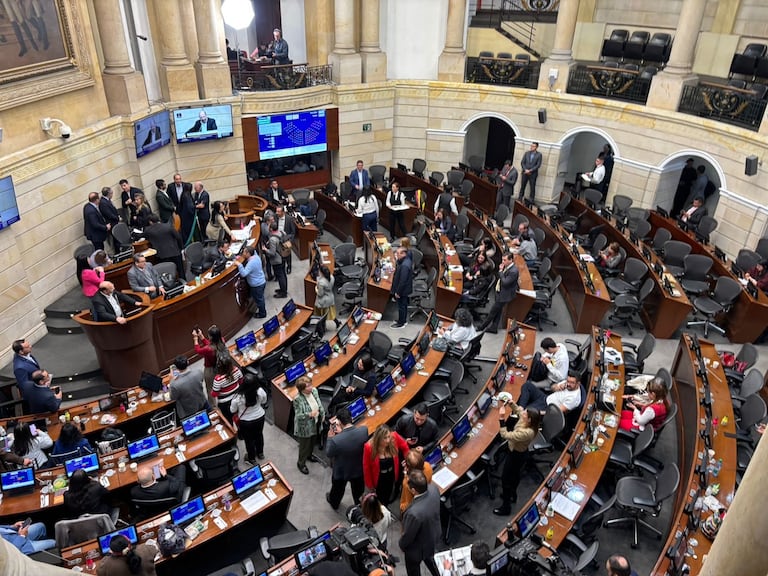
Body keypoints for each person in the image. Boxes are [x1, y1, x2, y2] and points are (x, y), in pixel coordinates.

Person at [493, 400, 541, 514]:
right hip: (519, 452)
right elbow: (519, 411)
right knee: (515, 476)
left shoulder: (527, 432)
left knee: (506, 479)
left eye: (525, 413)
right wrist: (511, 404)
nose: (523, 412)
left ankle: (506, 507)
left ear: (529, 419)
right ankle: (512, 495)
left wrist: (501, 418)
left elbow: (505, 435)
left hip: (516, 455)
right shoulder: (527, 420)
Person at [398, 470, 441, 576]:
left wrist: (402, 545)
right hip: (433, 535)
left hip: (417, 549)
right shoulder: (434, 489)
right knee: (432, 561)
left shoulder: (414, 513)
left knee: (413, 571)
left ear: (413, 490)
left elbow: (408, 535)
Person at [325, 408, 368, 510]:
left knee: (337, 491)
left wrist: (330, 437)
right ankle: (359, 507)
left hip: (341, 471)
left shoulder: (336, 440)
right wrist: (343, 432)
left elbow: (329, 453)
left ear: (339, 422)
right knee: (358, 492)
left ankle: (334, 503)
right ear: (352, 418)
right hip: (358, 470)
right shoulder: (364, 431)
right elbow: (351, 438)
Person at [363, 425, 409, 504]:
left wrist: (408, 461)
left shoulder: (394, 436)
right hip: (379, 477)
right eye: (384, 438)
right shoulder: (369, 447)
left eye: (388, 437)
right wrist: (370, 485)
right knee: (380, 497)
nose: (388, 440)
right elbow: (366, 467)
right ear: (378, 438)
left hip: (392, 474)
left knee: (390, 492)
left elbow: (405, 447)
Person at [230, 372, 268, 464]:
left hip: (245, 422)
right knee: (259, 435)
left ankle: (251, 458)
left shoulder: (238, 398)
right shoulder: (260, 391)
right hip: (260, 417)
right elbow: (264, 401)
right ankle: (260, 453)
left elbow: (232, 410)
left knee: (249, 440)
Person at [477, 251, 519, 334]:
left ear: (511, 260)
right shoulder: (508, 267)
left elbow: (505, 283)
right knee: (498, 311)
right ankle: (494, 327)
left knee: (492, 312)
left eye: (505, 260)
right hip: (500, 291)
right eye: (502, 260)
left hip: (504, 295)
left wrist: (500, 271)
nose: (503, 262)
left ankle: (481, 327)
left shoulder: (513, 271)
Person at [293, 376, 325, 475]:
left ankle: (309, 455)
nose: (311, 387)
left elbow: (318, 402)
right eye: (308, 386)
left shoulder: (314, 391)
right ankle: (301, 463)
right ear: (302, 389)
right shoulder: (298, 399)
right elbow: (298, 416)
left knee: (312, 442)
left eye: (310, 385)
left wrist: (321, 413)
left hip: (315, 422)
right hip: (305, 426)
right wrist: (309, 414)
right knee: (304, 446)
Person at [193, 325, 227, 406]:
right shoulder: (222, 341)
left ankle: (213, 406)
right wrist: (201, 337)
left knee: (210, 388)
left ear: (211, 337)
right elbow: (210, 345)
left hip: (210, 370)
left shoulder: (208, 349)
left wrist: (195, 339)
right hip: (220, 366)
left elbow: (198, 350)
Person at [141, 214, 185, 279]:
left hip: (162, 256)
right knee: (181, 272)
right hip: (175, 252)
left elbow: (140, 236)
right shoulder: (168, 226)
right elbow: (178, 237)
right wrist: (181, 248)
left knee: (166, 275)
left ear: (150, 222)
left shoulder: (148, 230)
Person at [517, 372, 583, 413]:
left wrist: (538, 413)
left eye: (572, 383)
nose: (568, 384)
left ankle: (521, 411)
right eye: (568, 381)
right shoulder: (566, 384)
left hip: (547, 407)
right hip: (546, 397)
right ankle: (521, 407)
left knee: (527, 412)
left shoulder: (574, 398)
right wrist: (558, 387)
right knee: (527, 385)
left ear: (578, 384)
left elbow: (556, 412)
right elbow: (552, 388)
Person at [169, 355, 206, 419]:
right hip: (202, 402)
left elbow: (172, 397)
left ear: (176, 368)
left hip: (188, 411)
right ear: (188, 362)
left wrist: (171, 380)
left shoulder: (174, 384)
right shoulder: (199, 372)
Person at [211, 353, 242, 426]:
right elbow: (241, 382)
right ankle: (241, 432)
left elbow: (214, 394)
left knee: (228, 419)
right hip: (237, 397)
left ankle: (232, 432)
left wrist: (212, 390)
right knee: (239, 416)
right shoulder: (236, 370)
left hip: (225, 403)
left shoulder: (218, 379)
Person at [399, 449, 433, 515]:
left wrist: (406, 474)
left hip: (412, 507)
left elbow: (408, 503)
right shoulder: (428, 466)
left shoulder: (408, 483)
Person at [237, 245, 267, 318]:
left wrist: (239, 265)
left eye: (244, 252)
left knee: (259, 300)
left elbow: (244, 273)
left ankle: (262, 313)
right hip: (261, 281)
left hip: (257, 285)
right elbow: (254, 251)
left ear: (248, 254)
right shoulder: (256, 256)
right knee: (259, 298)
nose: (242, 254)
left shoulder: (251, 263)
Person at [390, 245, 413, 329]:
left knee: (401, 306)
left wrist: (398, 292)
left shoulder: (405, 266)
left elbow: (402, 281)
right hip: (405, 288)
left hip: (403, 290)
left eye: (398, 253)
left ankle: (401, 323)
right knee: (404, 305)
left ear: (403, 254)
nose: (396, 255)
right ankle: (403, 320)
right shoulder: (406, 260)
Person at [266, 221, 288, 298]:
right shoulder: (282, 233)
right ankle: (284, 289)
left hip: (277, 260)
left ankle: (283, 293)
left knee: (280, 276)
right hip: (284, 256)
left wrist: (265, 249)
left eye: (269, 226)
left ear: (271, 229)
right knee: (283, 274)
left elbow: (272, 253)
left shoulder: (272, 239)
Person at [274, 205, 296, 273]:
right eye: (276, 211)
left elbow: (293, 232)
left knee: (288, 254)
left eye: (278, 211)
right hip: (277, 238)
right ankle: (281, 266)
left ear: (283, 212)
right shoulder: (275, 217)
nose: (277, 213)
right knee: (279, 253)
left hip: (286, 239)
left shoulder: (290, 219)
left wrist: (290, 241)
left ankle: (289, 266)